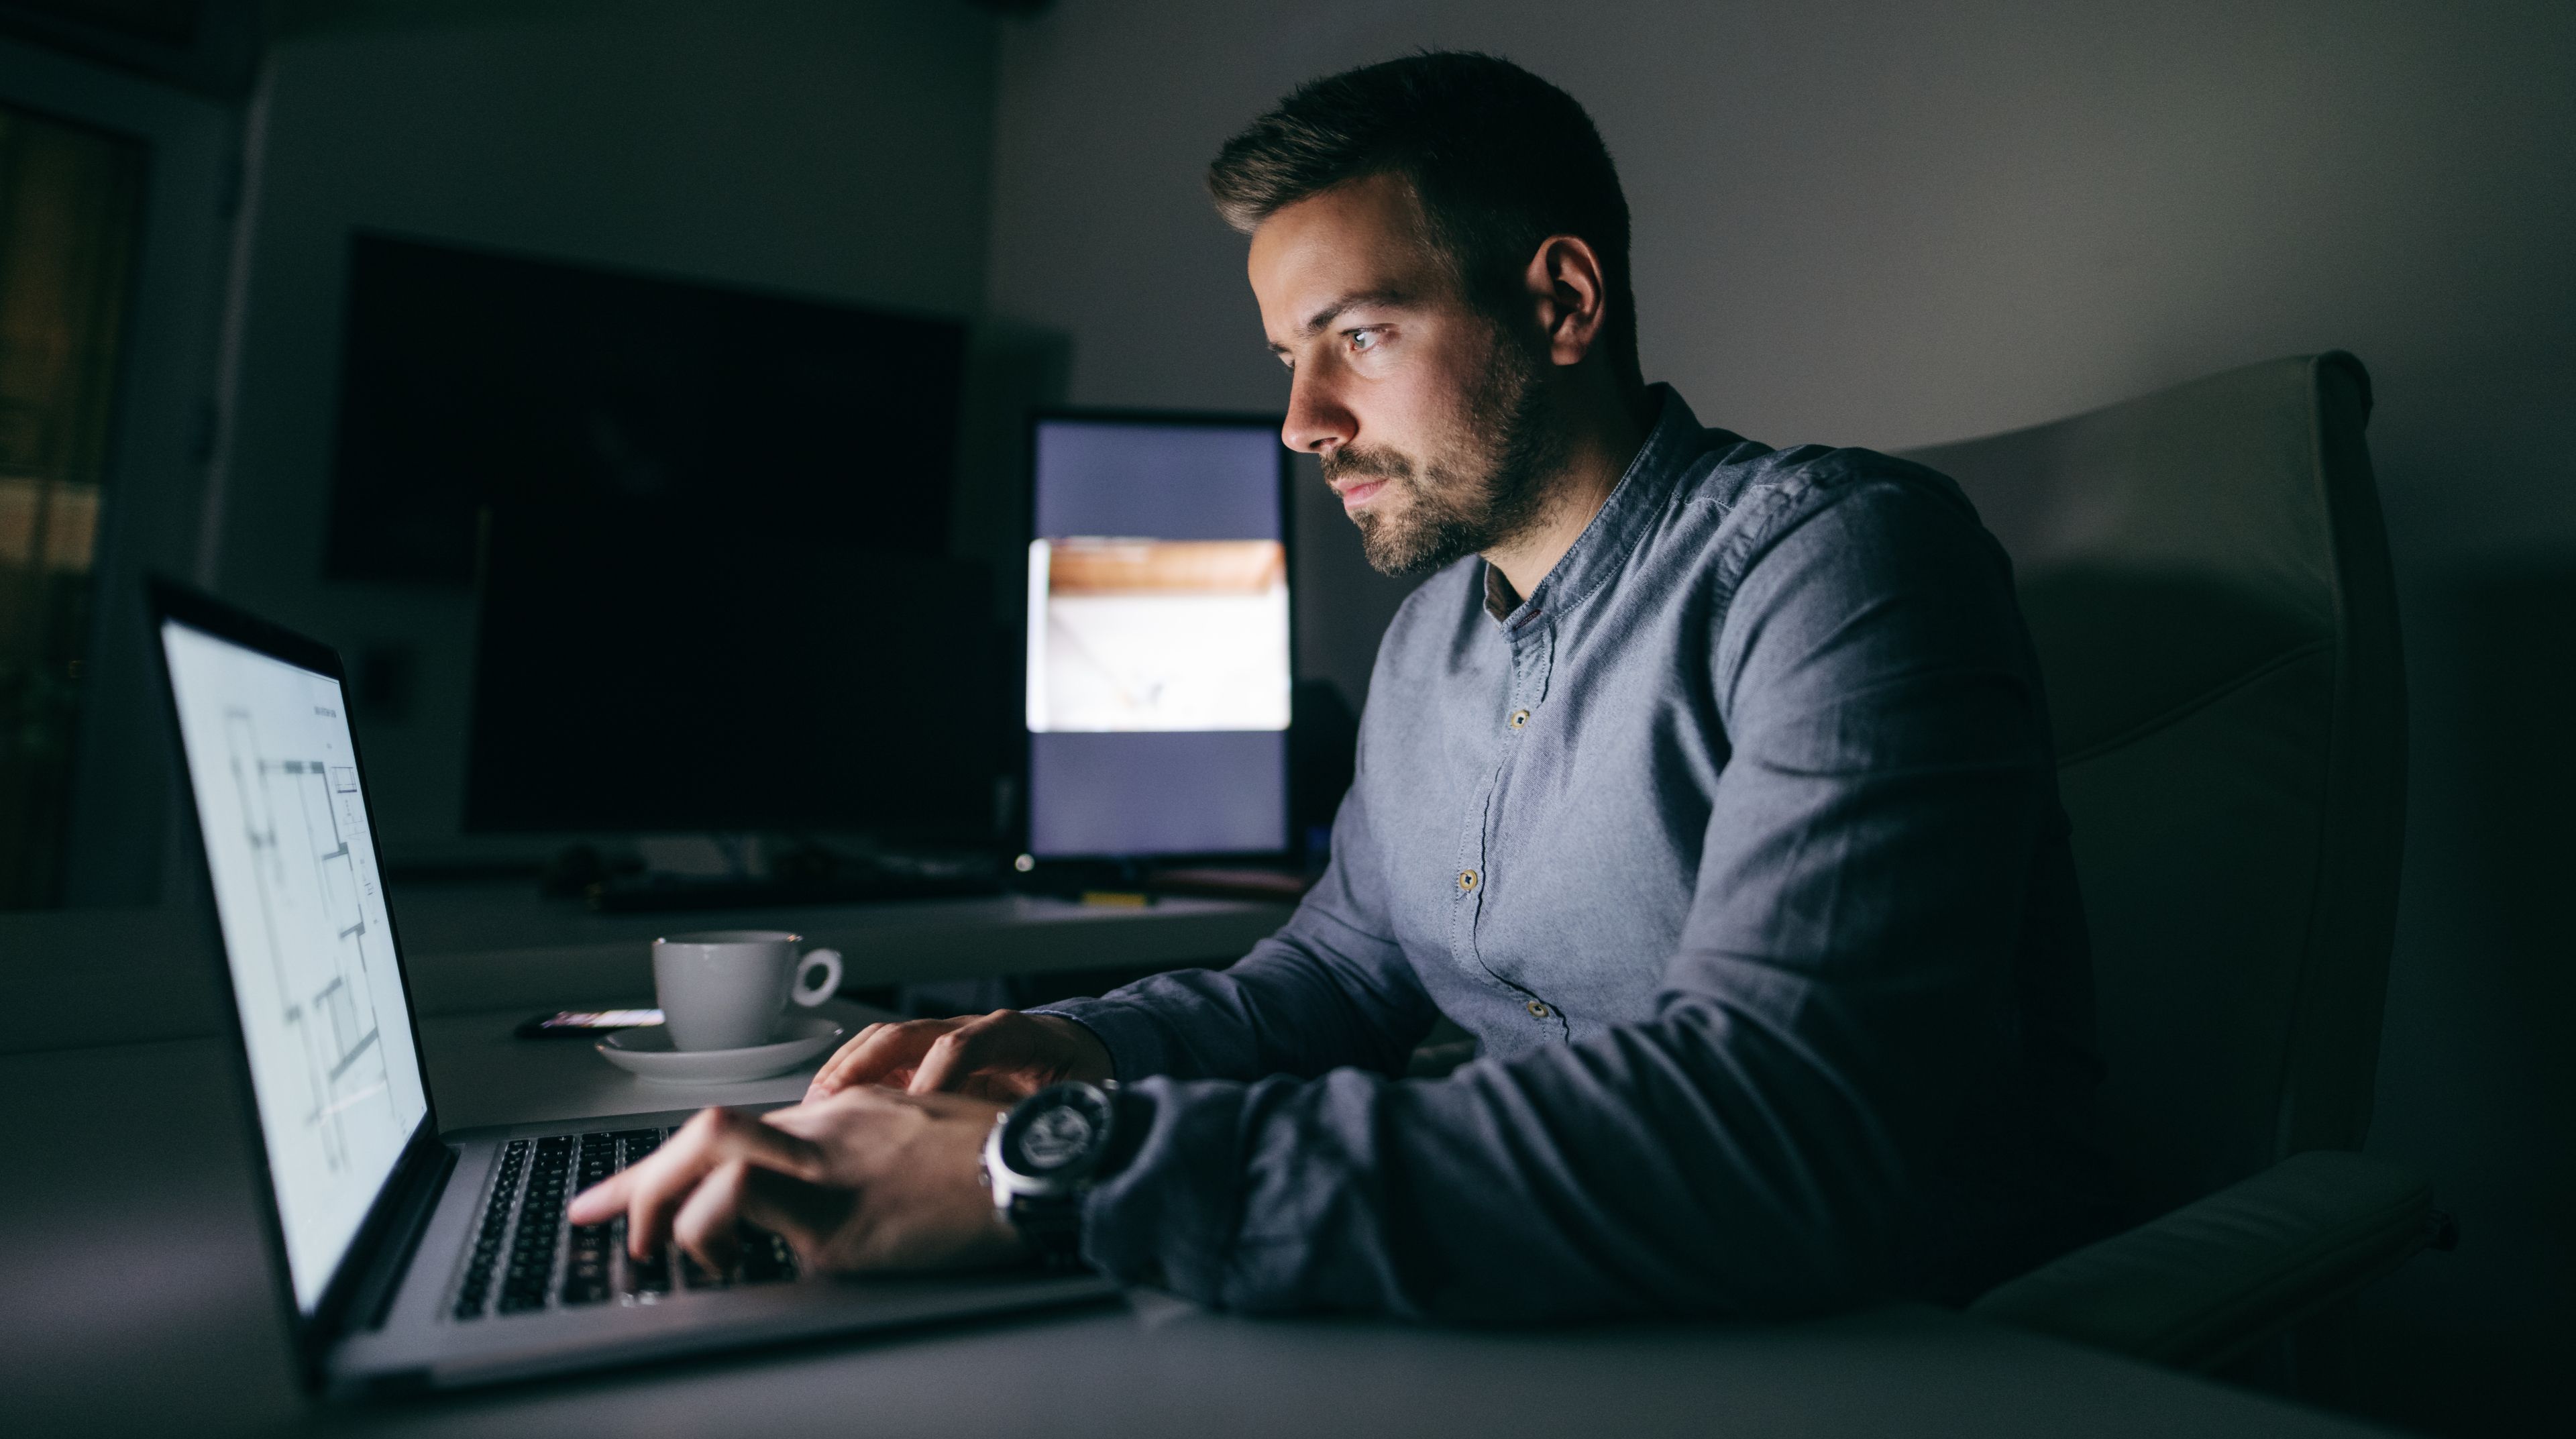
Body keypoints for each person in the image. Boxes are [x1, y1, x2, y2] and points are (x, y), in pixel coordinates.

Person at [571, 51, 2114, 1322]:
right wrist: (1082, 1054)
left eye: (1357, 337)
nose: (1304, 421)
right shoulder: (1435, 638)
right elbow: (1338, 977)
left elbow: (1779, 1133)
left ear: (1563, 303)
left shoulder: (1839, 564)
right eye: (1285, 357)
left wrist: (1060, 1166)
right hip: (1546, 1309)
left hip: (1867, 1348)